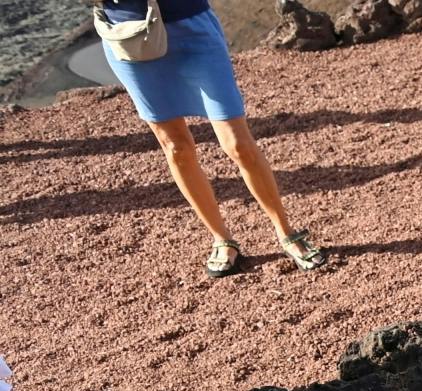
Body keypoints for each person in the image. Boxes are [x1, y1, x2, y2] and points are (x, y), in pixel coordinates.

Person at [92, 0, 328, 277]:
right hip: (129, 37)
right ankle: (221, 238)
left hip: (191, 25)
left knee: (238, 145)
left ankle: (286, 232)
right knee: (176, 147)